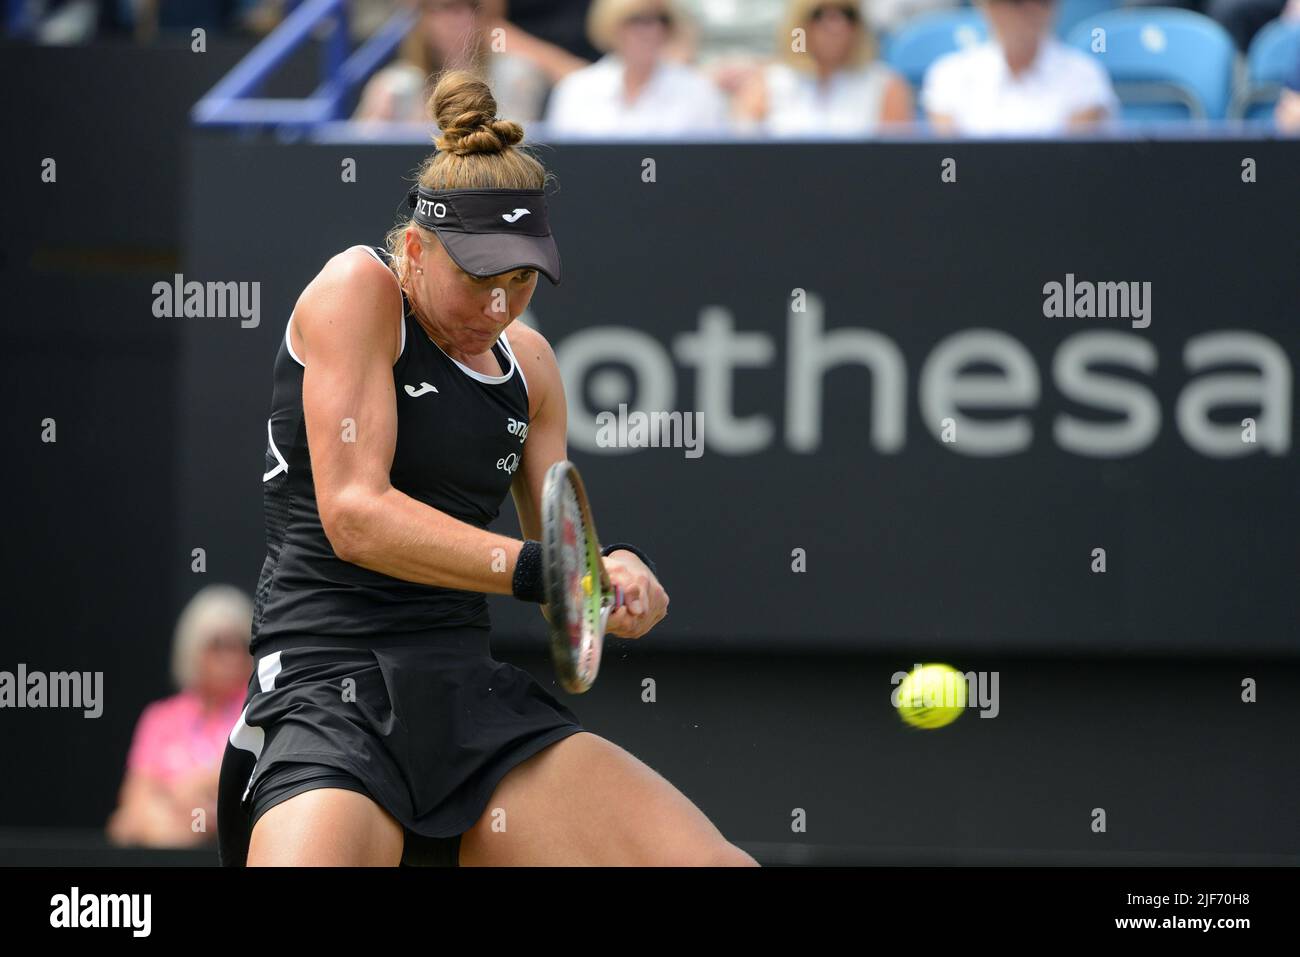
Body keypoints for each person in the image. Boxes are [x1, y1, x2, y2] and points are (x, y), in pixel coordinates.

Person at [216, 69, 757, 867]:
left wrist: (613, 578)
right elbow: (357, 516)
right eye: (477, 278)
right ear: (414, 247)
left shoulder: (531, 369)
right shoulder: (357, 288)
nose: (500, 306)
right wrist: (555, 570)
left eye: (521, 278)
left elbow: (564, 569)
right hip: (326, 688)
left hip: (467, 701)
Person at [107, 585, 252, 848]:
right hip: (175, 836)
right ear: (192, 648)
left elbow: (245, 780)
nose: (231, 657)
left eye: (239, 644)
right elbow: (134, 800)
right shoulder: (161, 717)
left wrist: (186, 789)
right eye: (218, 644)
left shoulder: (257, 708)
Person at [921, 0, 1119, 135]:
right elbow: (952, 163)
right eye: (1012, 2)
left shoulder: (1085, 75)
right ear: (985, 6)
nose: (1025, 12)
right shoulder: (948, 75)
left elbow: (1070, 167)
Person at [543, 0, 731, 136]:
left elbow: (708, 165)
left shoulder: (699, 91)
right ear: (613, 25)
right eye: (637, 20)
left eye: (661, 20)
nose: (651, 30)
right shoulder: (577, 89)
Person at [354, 0, 554, 125]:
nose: (459, 19)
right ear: (423, 17)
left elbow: (518, 148)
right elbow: (356, 161)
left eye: (470, 6)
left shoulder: (517, 75)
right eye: (445, 7)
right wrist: (374, 130)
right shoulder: (393, 86)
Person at [732, 0, 913, 136]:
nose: (835, 26)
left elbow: (894, 163)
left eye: (847, 15)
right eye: (820, 14)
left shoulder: (887, 85)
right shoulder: (766, 83)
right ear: (800, 24)